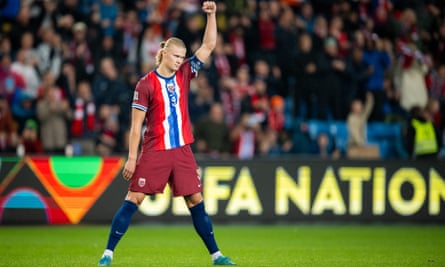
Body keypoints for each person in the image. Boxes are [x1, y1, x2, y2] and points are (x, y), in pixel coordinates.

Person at [98, 2, 236, 266]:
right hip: (156, 150)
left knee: (196, 200)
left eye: (183, 57)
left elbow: (208, 46)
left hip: (182, 149)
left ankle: (217, 256)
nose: (180, 61)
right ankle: (107, 254)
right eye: (176, 56)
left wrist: (212, 15)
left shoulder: (185, 73)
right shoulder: (145, 84)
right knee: (133, 198)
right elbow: (136, 125)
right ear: (164, 54)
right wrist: (131, 157)